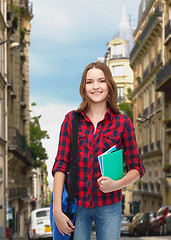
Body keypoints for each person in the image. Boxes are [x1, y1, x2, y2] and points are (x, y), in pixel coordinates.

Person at [52, 61, 145, 240]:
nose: (96, 86)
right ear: (83, 87)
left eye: (101, 81)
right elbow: (60, 166)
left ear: (109, 85)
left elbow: (137, 168)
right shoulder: (71, 120)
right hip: (76, 206)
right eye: (89, 82)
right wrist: (57, 209)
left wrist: (115, 185)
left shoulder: (123, 123)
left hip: (110, 205)